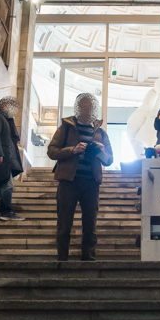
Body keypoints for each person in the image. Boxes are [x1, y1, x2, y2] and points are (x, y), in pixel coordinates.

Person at [46, 92, 114, 261]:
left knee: (90, 224)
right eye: (83, 105)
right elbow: (51, 151)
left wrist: (101, 151)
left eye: (89, 106)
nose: (86, 108)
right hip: (69, 181)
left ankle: (88, 258)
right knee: (64, 223)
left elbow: (110, 160)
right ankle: (62, 259)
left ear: (94, 108)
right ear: (78, 107)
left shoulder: (101, 133)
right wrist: (73, 150)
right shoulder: (66, 127)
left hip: (91, 183)